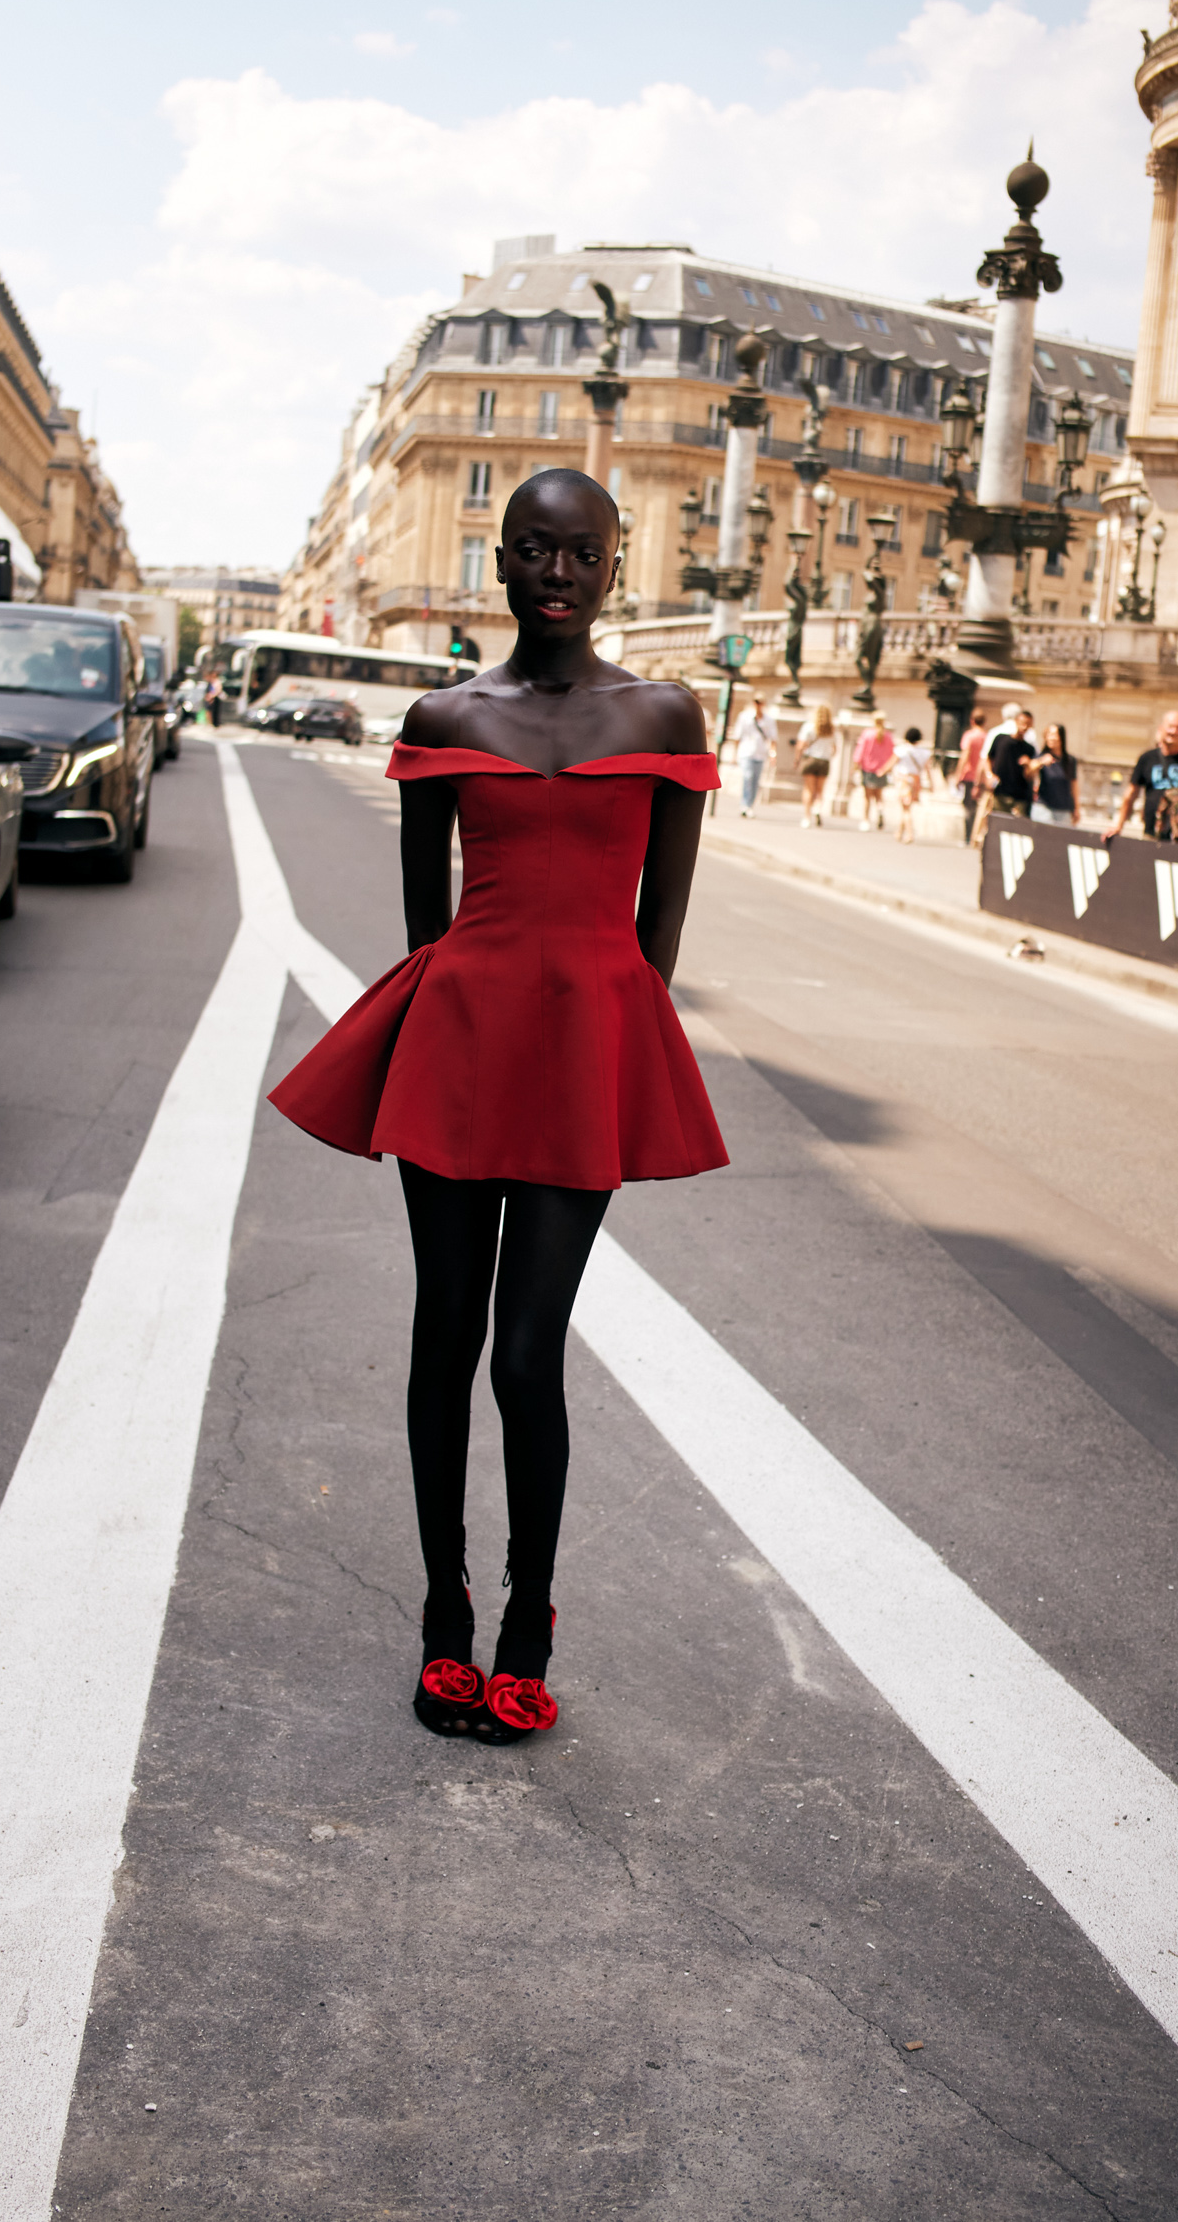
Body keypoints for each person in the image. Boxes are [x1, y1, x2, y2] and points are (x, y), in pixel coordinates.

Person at [267, 470, 726, 1750]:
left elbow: (660, 929)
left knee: (528, 1354)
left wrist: (608, 1040)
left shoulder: (665, 710)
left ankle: (528, 1619)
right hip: (460, 1043)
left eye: (580, 552)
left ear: (612, 565)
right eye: (532, 549)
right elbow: (425, 929)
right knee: (442, 1339)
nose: (556, 573)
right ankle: (441, 1613)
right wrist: (457, 1030)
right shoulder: (443, 713)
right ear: (503, 562)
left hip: (584, 1052)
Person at [1106, 710, 1178, 847]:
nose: (1173, 731)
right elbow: (1131, 794)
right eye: (1170, 727)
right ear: (1161, 729)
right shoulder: (1147, 758)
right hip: (1152, 834)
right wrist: (1118, 825)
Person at [984, 707, 1037, 819]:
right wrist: (989, 775)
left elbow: (1029, 776)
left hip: (1020, 797)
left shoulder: (1030, 749)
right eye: (1022, 723)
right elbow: (988, 758)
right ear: (1016, 722)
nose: (1024, 727)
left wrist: (1028, 765)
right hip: (1000, 792)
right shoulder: (1000, 739)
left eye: (1028, 724)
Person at [794, 702, 837, 828]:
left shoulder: (809, 726)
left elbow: (801, 745)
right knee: (819, 790)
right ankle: (817, 809)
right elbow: (834, 749)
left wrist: (797, 758)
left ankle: (807, 817)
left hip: (811, 759)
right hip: (824, 761)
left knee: (808, 789)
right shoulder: (831, 729)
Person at [1029, 723, 1080, 825]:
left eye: (1054, 734)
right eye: (1048, 734)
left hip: (1063, 810)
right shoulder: (1041, 756)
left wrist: (1076, 808)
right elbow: (1029, 770)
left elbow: (1073, 785)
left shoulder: (1070, 760)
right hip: (1043, 808)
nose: (1051, 738)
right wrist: (1041, 762)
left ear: (1061, 737)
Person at [852, 711, 895, 831]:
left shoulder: (867, 734)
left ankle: (866, 820)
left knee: (867, 796)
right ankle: (880, 811)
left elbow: (860, 751)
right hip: (882, 769)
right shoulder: (888, 736)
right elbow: (892, 753)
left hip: (868, 768)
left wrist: (856, 764)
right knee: (879, 795)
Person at [953, 707, 989, 843]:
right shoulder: (987, 737)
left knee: (969, 808)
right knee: (980, 807)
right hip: (983, 777)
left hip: (969, 776)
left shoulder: (969, 736)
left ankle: (968, 836)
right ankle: (978, 835)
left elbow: (964, 757)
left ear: (972, 721)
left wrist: (957, 776)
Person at [735, 695, 774, 816]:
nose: (758, 705)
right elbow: (738, 736)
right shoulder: (744, 716)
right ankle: (745, 804)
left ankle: (750, 805)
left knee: (756, 781)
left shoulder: (769, 720)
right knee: (748, 777)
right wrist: (734, 755)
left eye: (760, 702)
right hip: (746, 752)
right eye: (756, 702)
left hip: (761, 753)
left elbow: (773, 739)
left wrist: (773, 754)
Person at [890, 724, 927, 841]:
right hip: (916, 780)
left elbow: (891, 763)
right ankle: (899, 832)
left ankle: (909, 834)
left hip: (904, 780)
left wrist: (881, 771)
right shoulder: (924, 752)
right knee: (907, 807)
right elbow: (927, 769)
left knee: (906, 808)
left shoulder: (902, 750)